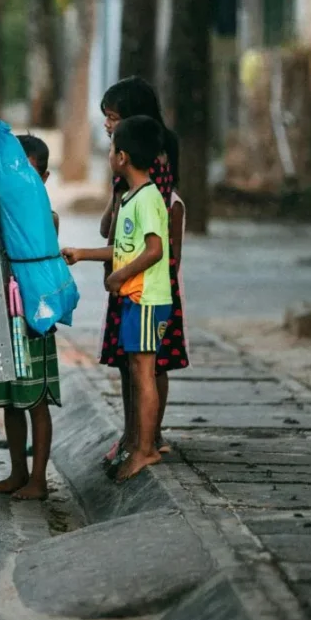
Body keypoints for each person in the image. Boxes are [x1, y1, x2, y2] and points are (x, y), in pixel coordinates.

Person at [63, 116, 172, 482]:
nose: (108, 153)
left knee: (144, 373)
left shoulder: (149, 198)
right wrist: (82, 253)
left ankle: (145, 449)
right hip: (132, 299)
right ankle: (142, 444)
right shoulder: (130, 197)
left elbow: (154, 250)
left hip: (145, 299)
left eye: (111, 149)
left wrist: (120, 276)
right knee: (139, 371)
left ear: (122, 156)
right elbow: (121, 250)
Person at [97, 77, 187, 472]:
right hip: (129, 280)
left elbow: (155, 242)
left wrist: (122, 272)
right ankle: (135, 434)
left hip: (144, 284)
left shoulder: (153, 172)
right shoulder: (129, 172)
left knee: (150, 363)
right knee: (132, 362)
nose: (107, 127)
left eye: (113, 119)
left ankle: (146, 438)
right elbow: (110, 227)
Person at [0, 134, 60, 501]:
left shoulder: (47, 216)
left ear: (44, 178)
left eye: (30, 174)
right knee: (11, 401)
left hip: (33, 317)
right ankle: (17, 472)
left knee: (36, 399)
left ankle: (38, 480)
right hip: (4, 316)